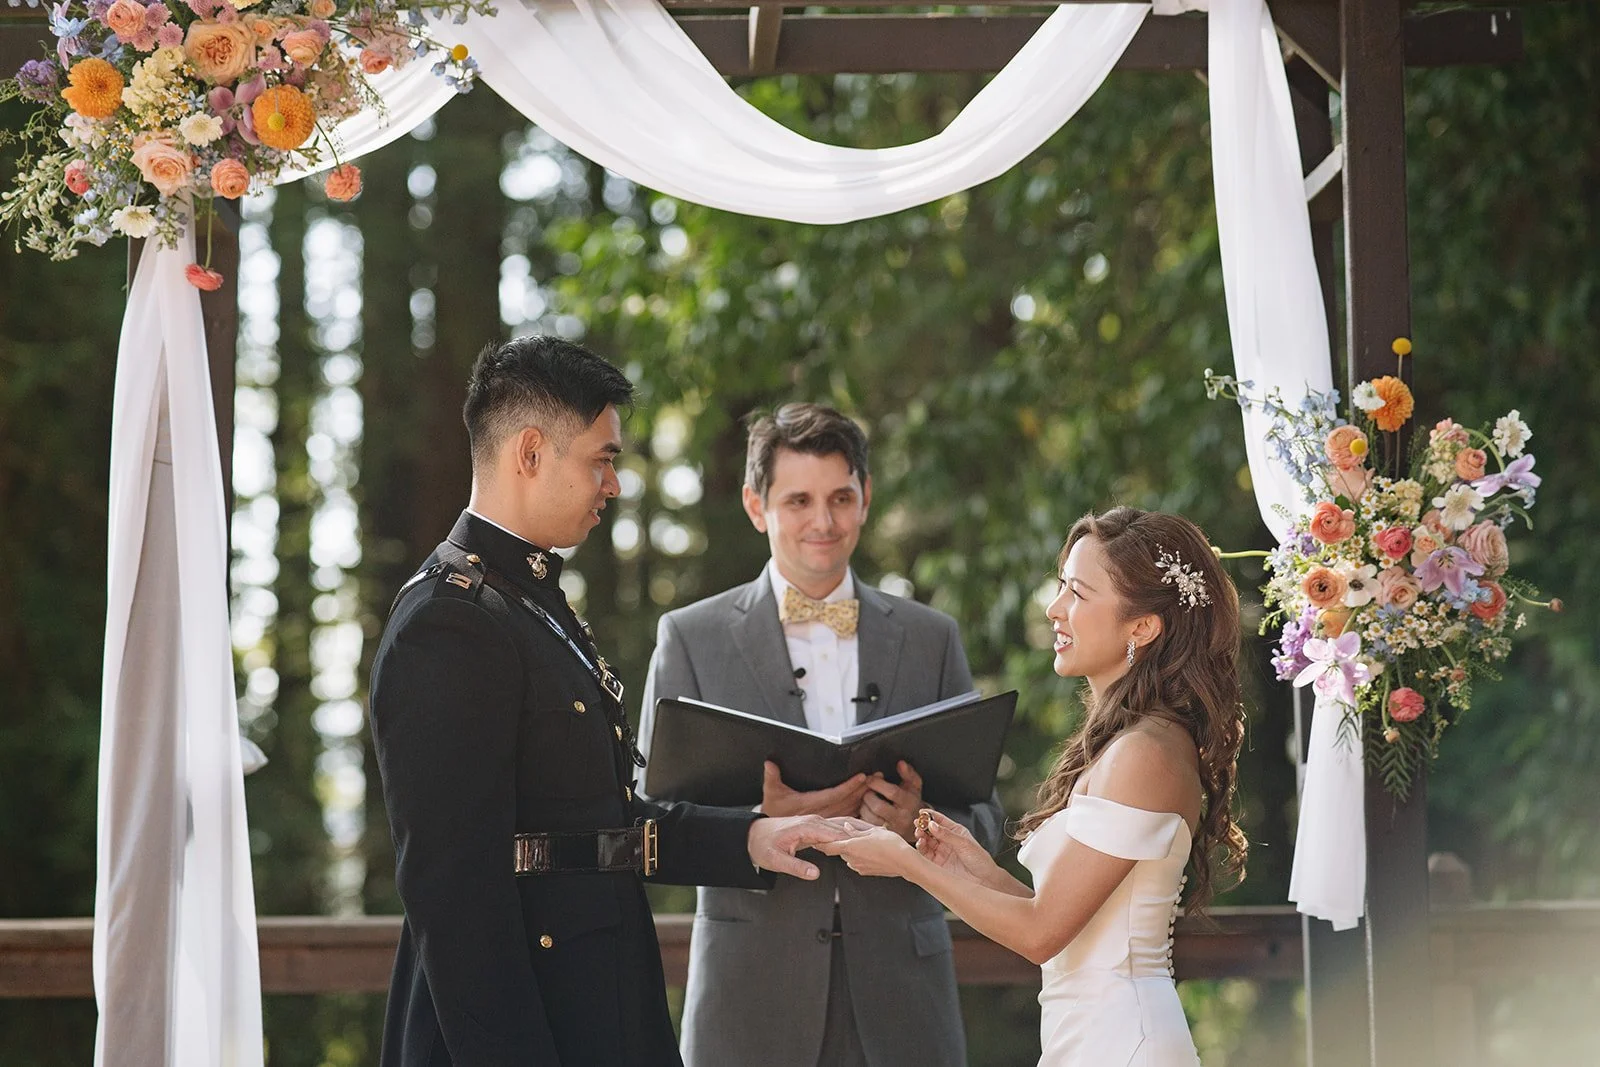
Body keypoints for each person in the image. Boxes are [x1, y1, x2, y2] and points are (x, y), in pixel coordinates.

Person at [367, 336, 846, 1067]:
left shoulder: (530, 604)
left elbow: (593, 828)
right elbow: (456, 900)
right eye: (602, 460)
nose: (613, 485)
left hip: (602, 1007)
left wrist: (750, 836)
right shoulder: (450, 619)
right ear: (530, 452)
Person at [639, 403, 1005, 1067]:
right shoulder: (689, 638)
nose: (823, 522)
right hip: (750, 1002)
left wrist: (919, 822)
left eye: (841, 496)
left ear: (866, 497)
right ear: (757, 506)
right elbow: (649, 823)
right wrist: (757, 820)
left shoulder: (932, 637)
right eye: (798, 500)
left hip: (904, 1001)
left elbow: (987, 820)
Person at [819, 507, 1248, 1066]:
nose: (1054, 609)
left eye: (1078, 594)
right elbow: (1071, 929)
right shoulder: (1138, 743)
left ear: (1141, 626)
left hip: (1123, 1043)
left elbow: (1042, 935)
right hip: (1093, 1036)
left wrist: (906, 863)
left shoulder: (1146, 752)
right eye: (1061, 587)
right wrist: (971, 869)